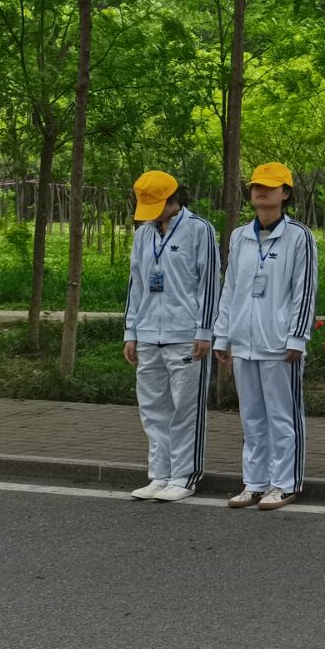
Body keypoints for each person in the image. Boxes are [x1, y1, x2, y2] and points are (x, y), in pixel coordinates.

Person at [213, 162, 319, 511]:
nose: (261, 191)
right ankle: (254, 482)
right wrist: (222, 336)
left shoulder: (299, 236)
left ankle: (285, 483)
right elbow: (230, 288)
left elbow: (304, 289)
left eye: (270, 187)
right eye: (256, 186)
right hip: (243, 341)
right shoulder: (240, 236)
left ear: (285, 193)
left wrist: (297, 336)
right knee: (251, 416)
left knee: (282, 416)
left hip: (279, 343)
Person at [122, 170, 220, 503]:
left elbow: (209, 283)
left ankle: (184, 476)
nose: (151, 215)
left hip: (186, 335)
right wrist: (131, 332)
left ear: (173, 199)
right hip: (149, 333)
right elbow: (136, 283)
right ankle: (159, 474)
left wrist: (205, 330)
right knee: (153, 409)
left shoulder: (199, 229)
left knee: (185, 410)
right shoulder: (143, 234)